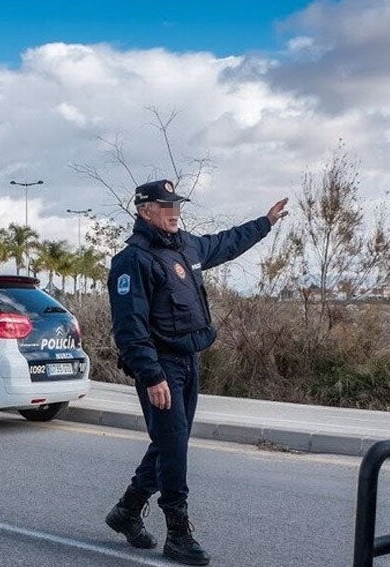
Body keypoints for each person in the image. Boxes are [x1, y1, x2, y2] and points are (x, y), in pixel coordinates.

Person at [105, 179, 288, 566]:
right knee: (173, 446)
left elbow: (226, 243)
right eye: (166, 205)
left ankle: (126, 510)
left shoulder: (186, 246)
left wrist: (265, 223)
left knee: (171, 442)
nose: (175, 211)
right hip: (161, 364)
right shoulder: (132, 260)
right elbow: (130, 326)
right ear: (145, 210)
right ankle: (178, 533)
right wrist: (151, 375)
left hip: (190, 360)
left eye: (177, 204)